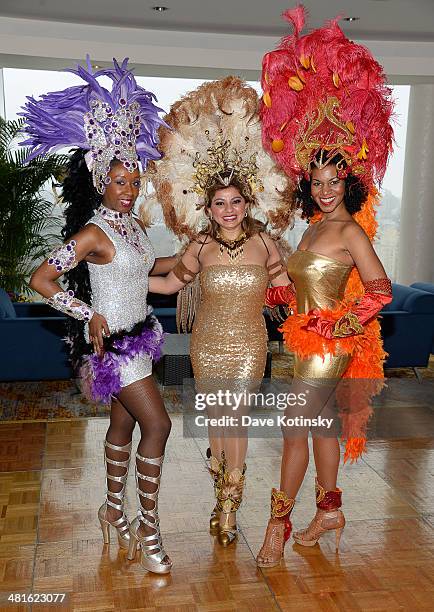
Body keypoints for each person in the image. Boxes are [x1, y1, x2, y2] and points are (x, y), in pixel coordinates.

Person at [22, 57, 175, 574]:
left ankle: (114, 509)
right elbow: (41, 279)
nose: (128, 190)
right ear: (99, 180)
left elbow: (145, 274)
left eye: (134, 181)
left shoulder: (131, 228)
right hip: (117, 351)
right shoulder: (92, 232)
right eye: (119, 182)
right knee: (160, 424)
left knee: (124, 426)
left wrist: (192, 258)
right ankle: (149, 525)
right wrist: (86, 312)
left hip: (141, 337)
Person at [255, 6, 394, 567]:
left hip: (331, 345)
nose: (327, 189)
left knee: (294, 431)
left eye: (335, 180)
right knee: (317, 429)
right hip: (305, 342)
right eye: (318, 181)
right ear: (308, 184)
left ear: (348, 182)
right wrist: (278, 281)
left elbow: (380, 289)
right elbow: (308, 286)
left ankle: (276, 526)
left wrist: (339, 323)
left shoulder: (349, 231)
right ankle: (330, 508)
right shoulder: (313, 227)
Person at [146, 77, 293, 546]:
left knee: (237, 420)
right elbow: (170, 284)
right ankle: (223, 498)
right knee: (218, 421)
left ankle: (230, 507)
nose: (228, 210)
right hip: (207, 345)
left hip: (249, 344)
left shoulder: (266, 243)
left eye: (235, 202)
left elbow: (288, 291)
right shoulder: (201, 246)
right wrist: (121, 284)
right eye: (219, 203)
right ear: (208, 209)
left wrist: (329, 296)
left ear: (248, 202)